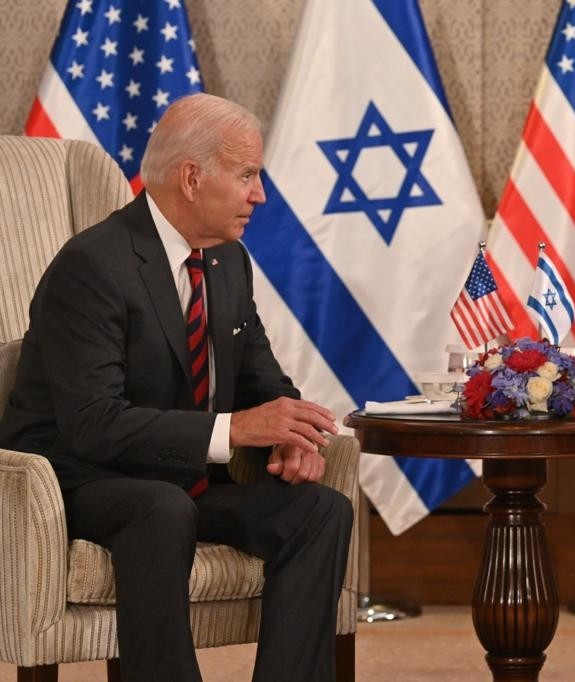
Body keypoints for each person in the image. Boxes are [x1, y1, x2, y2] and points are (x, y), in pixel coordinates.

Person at [0, 93, 353, 682]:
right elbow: (93, 421)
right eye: (247, 175)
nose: (259, 194)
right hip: (79, 479)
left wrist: (290, 434)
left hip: (180, 480)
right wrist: (237, 429)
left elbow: (258, 377)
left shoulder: (227, 261)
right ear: (192, 178)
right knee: (161, 509)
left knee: (320, 511)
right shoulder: (94, 265)